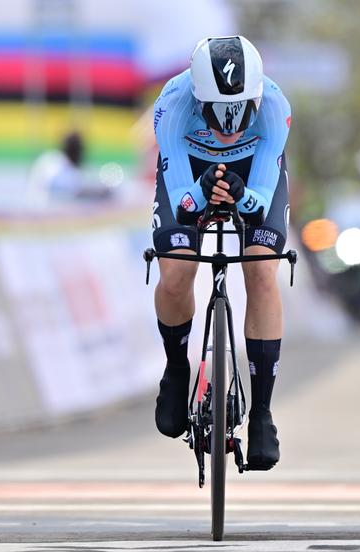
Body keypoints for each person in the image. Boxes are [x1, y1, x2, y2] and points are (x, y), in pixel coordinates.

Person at [151, 35, 291, 471]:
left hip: (252, 174)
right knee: (176, 274)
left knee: (262, 273)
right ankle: (177, 369)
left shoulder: (274, 106)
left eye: (241, 111)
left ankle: (262, 412)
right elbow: (183, 204)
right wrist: (203, 187)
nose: (230, 126)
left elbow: (260, 203)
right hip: (191, 173)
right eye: (217, 112)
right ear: (197, 98)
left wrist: (240, 194)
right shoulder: (172, 105)